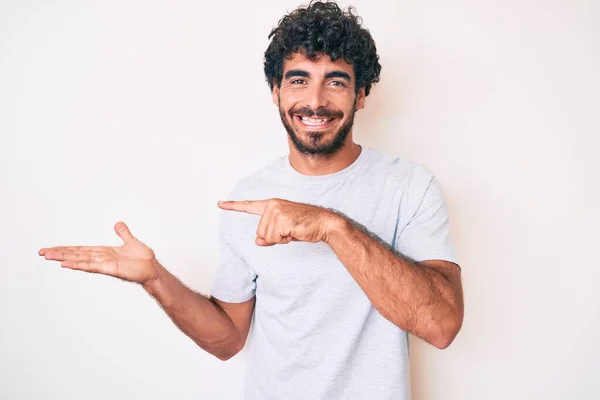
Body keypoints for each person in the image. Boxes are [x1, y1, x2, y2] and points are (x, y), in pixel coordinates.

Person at [38, 1, 464, 399]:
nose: (315, 101)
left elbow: (441, 326)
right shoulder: (248, 199)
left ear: (362, 95)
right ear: (276, 91)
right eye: (298, 80)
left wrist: (333, 227)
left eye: (336, 82)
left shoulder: (409, 186)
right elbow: (227, 340)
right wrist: (155, 278)